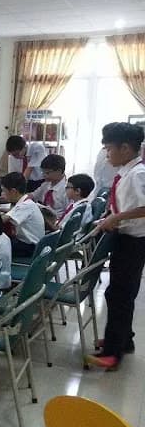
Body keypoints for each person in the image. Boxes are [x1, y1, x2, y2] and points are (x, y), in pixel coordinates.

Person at [86, 122, 145, 371]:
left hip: (133, 242)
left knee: (119, 295)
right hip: (127, 237)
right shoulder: (128, 172)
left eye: (109, 149)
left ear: (125, 148)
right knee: (122, 293)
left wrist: (115, 219)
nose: (107, 154)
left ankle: (113, 353)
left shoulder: (137, 174)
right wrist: (109, 217)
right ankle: (122, 340)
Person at [0, 172, 45, 257]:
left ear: (13, 191)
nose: (1, 194)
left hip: (29, 248)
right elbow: (13, 211)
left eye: (3, 190)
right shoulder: (27, 203)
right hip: (30, 245)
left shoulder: (25, 206)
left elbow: (1, 220)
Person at [30, 154, 69, 228]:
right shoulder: (46, 184)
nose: (44, 175)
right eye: (43, 172)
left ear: (59, 171)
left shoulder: (67, 190)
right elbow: (33, 195)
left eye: (47, 173)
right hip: (42, 219)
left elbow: (68, 213)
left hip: (56, 224)